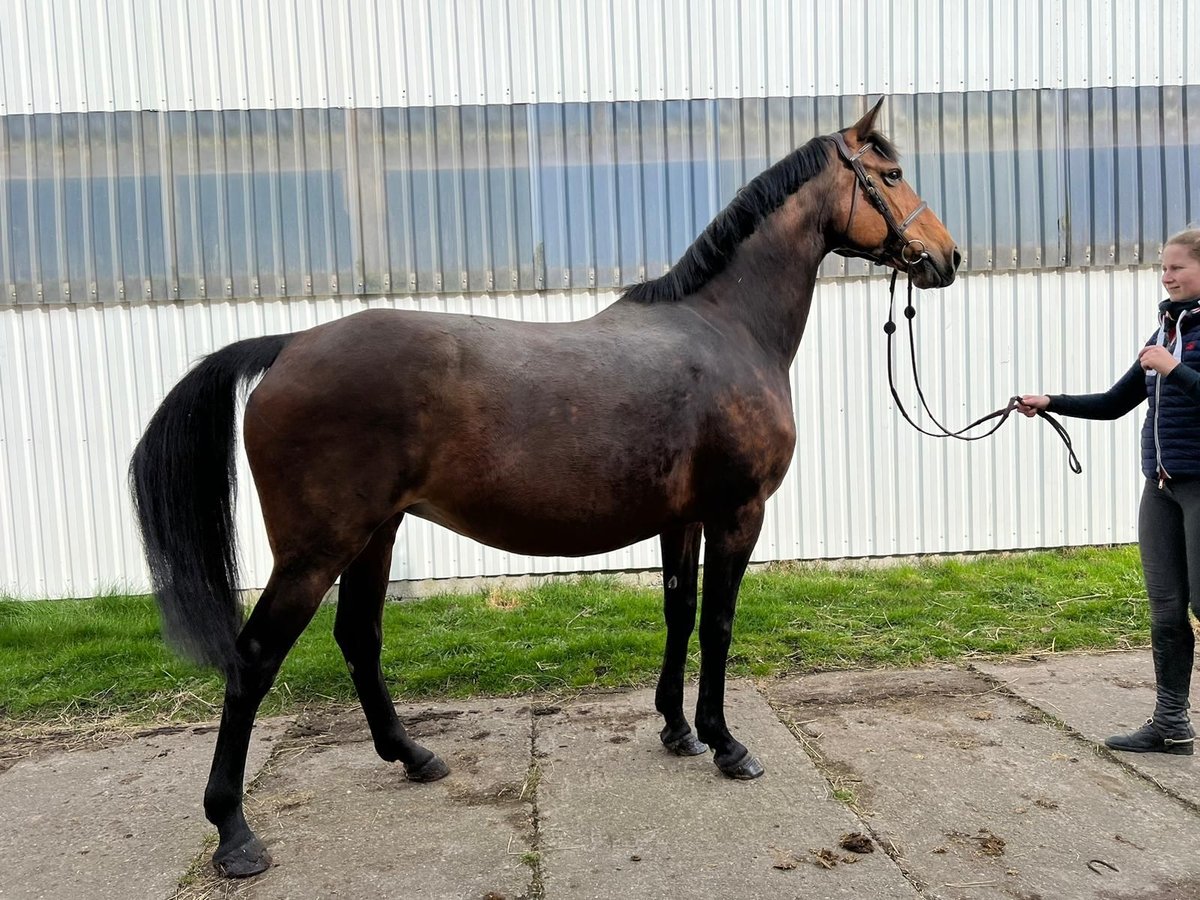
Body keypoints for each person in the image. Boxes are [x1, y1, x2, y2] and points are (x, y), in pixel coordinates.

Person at [1018, 228, 1200, 756]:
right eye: (1163, 268)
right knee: (1167, 609)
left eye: (1177, 268)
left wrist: (1177, 371)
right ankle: (1171, 723)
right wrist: (1050, 401)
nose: (1166, 276)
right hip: (1162, 489)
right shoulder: (1164, 332)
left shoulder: (1174, 349)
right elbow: (1115, 401)